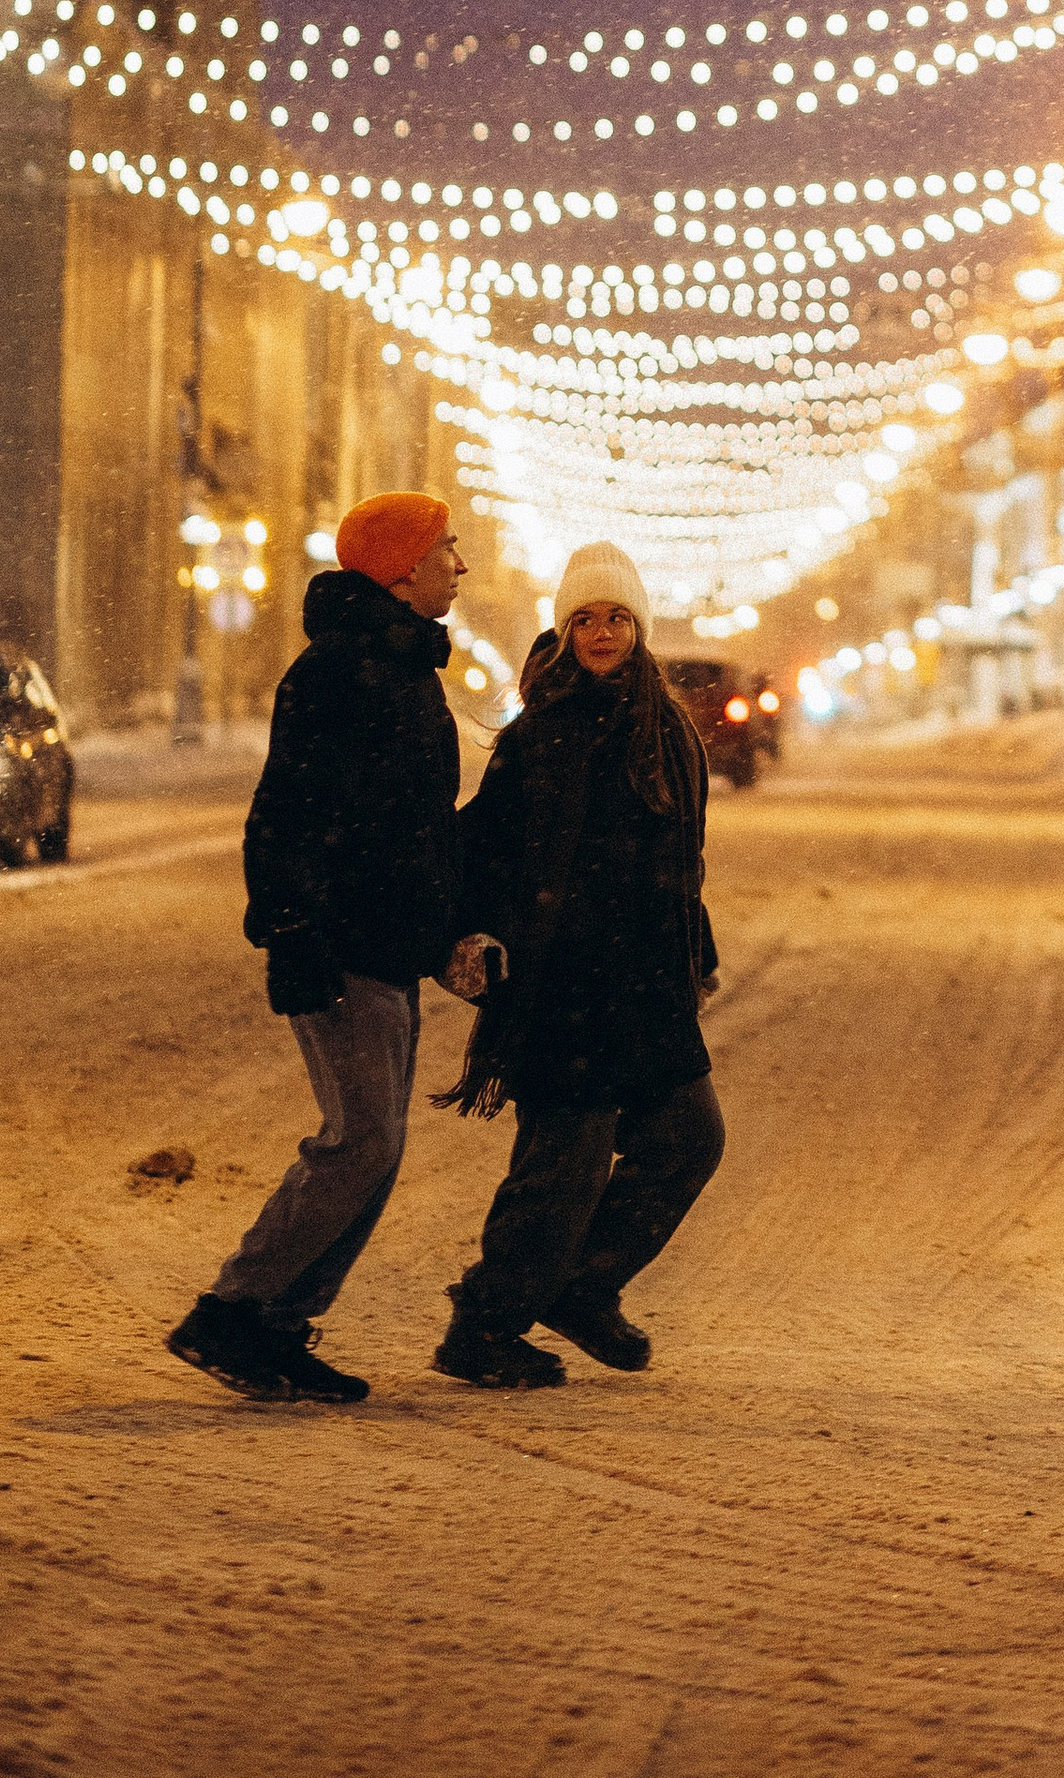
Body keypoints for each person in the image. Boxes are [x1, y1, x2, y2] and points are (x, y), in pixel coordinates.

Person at [166, 490, 472, 1403]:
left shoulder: (405, 665)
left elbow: (414, 821)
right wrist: (292, 927)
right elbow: (286, 810)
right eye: (447, 549)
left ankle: (277, 1326)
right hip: (340, 941)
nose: (461, 565)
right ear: (402, 568)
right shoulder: (339, 671)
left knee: (378, 1143)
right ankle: (235, 1309)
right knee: (362, 1140)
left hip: (385, 940)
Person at [435, 541, 725, 1390]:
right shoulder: (543, 733)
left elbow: (680, 859)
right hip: (563, 987)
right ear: (565, 632)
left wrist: (694, 955)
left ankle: (582, 1285)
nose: (602, 634)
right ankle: (483, 1327)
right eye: (586, 620)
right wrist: (470, 934)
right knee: (560, 1170)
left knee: (688, 1137)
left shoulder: (666, 731)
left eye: (617, 617)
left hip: (647, 985)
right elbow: (485, 848)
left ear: (640, 626)